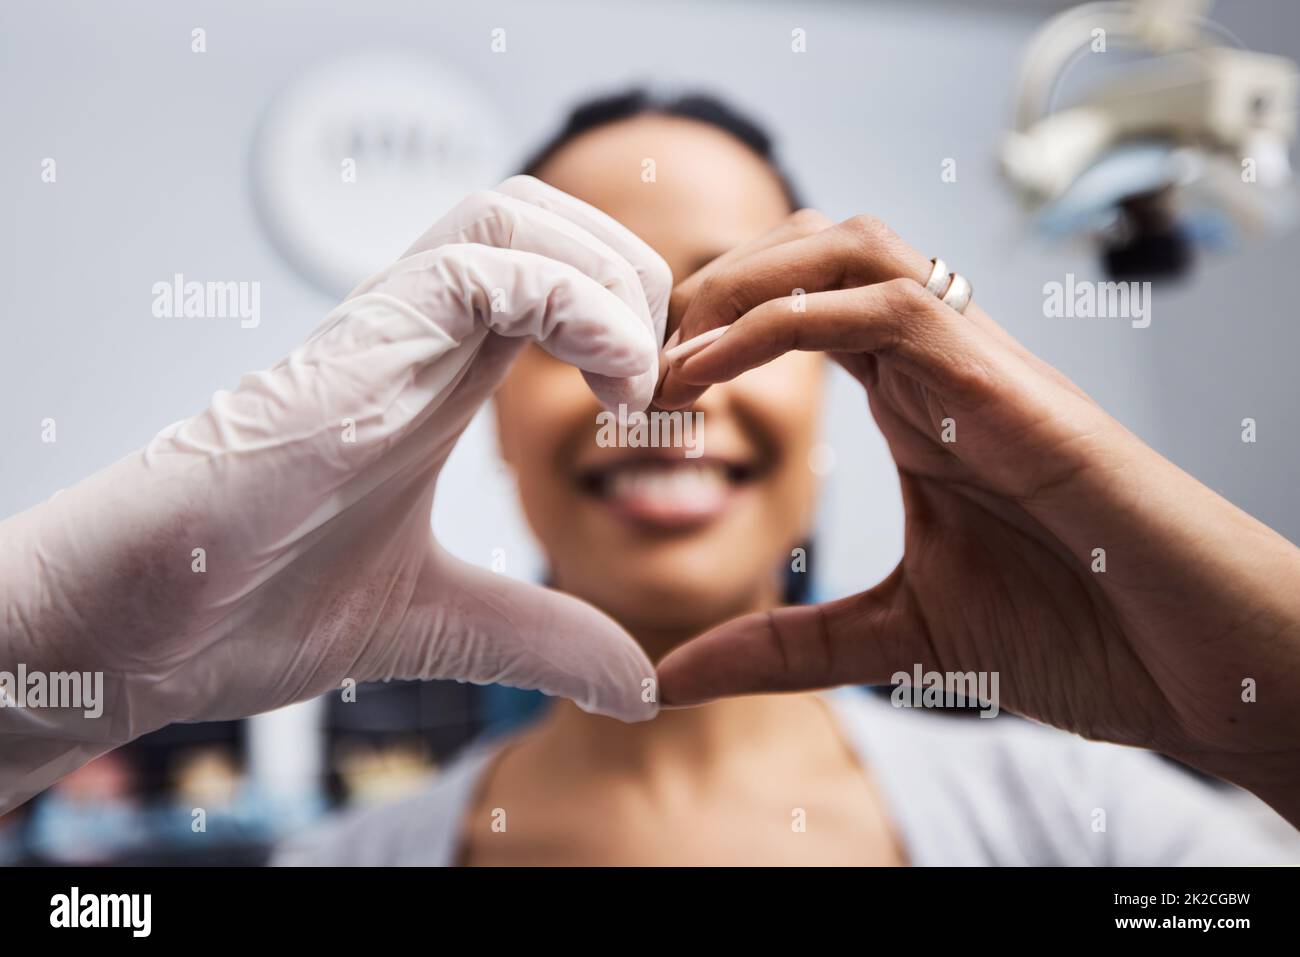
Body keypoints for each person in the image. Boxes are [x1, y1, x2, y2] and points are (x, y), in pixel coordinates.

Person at [1, 87, 1298, 843]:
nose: (666, 387)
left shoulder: (1098, 826)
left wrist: (1267, 703)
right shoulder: (351, 859)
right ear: (493, 419)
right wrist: (33, 669)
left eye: (750, 319)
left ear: (845, 397)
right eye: (582, 328)